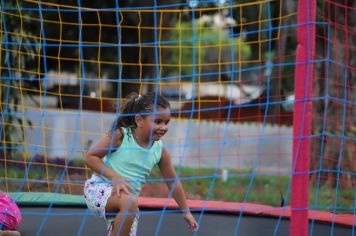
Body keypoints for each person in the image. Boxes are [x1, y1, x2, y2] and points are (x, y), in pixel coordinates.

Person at [84, 92, 198, 236]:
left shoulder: (160, 151)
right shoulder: (121, 136)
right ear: (139, 120)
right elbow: (91, 157)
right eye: (158, 121)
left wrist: (186, 211)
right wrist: (115, 177)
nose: (163, 127)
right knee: (130, 202)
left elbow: (173, 182)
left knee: (130, 206)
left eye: (166, 122)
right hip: (99, 189)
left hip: (127, 204)